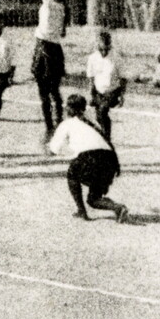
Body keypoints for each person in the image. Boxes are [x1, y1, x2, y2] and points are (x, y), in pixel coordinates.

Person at [49, 94, 129, 223]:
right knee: (94, 199)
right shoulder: (92, 122)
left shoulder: (67, 123)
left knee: (72, 175)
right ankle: (118, 207)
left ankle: (81, 211)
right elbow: (106, 141)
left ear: (68, 108)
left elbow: (54, 148)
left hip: (89, 157)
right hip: (109, 159)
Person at [30, 0, 69, 141]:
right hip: (55, 49)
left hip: (43, 46)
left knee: (43, 90)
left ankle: (49, 125)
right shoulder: (62, 8)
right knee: (55, 89)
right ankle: (59, 119)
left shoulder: (48, 1)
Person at [84, 29, 126, 141]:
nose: (103, 52)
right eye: (101, 49)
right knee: (98, 116)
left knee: (103, 110)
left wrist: (122, 95)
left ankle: (107, 137)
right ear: (97, 45)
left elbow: (123, 78)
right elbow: (91, 77)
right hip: (98, 90)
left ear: (110, 45)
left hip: (112, 90)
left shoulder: (116, 58)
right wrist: (90, 93)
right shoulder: (92, 58)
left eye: (106, 49)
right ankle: (103, 133)